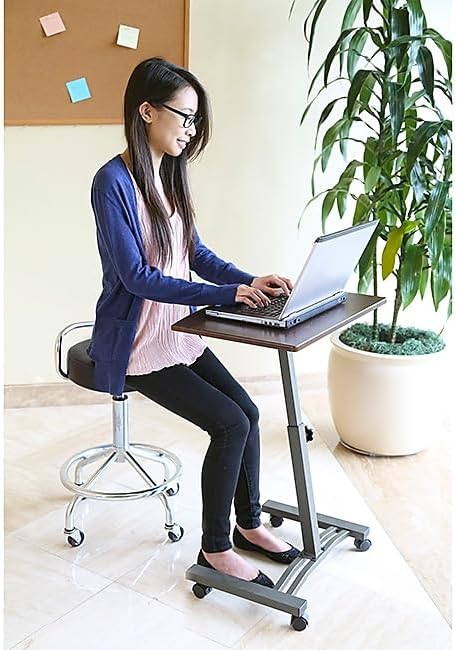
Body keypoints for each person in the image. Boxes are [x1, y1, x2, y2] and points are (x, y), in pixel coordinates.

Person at [89, 57, 300, 587]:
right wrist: (228, 294)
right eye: (183, 116)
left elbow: (195, 253)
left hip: (179, 335)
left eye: (194, 120)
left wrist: (253, 281)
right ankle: (215, 549)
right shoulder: (112, 182)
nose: (190, 129)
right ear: (145, 111)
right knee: (228, 423)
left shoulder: (168, 172)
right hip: (138, 343)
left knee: (245, 411)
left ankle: (249, 524)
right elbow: (138, 277)